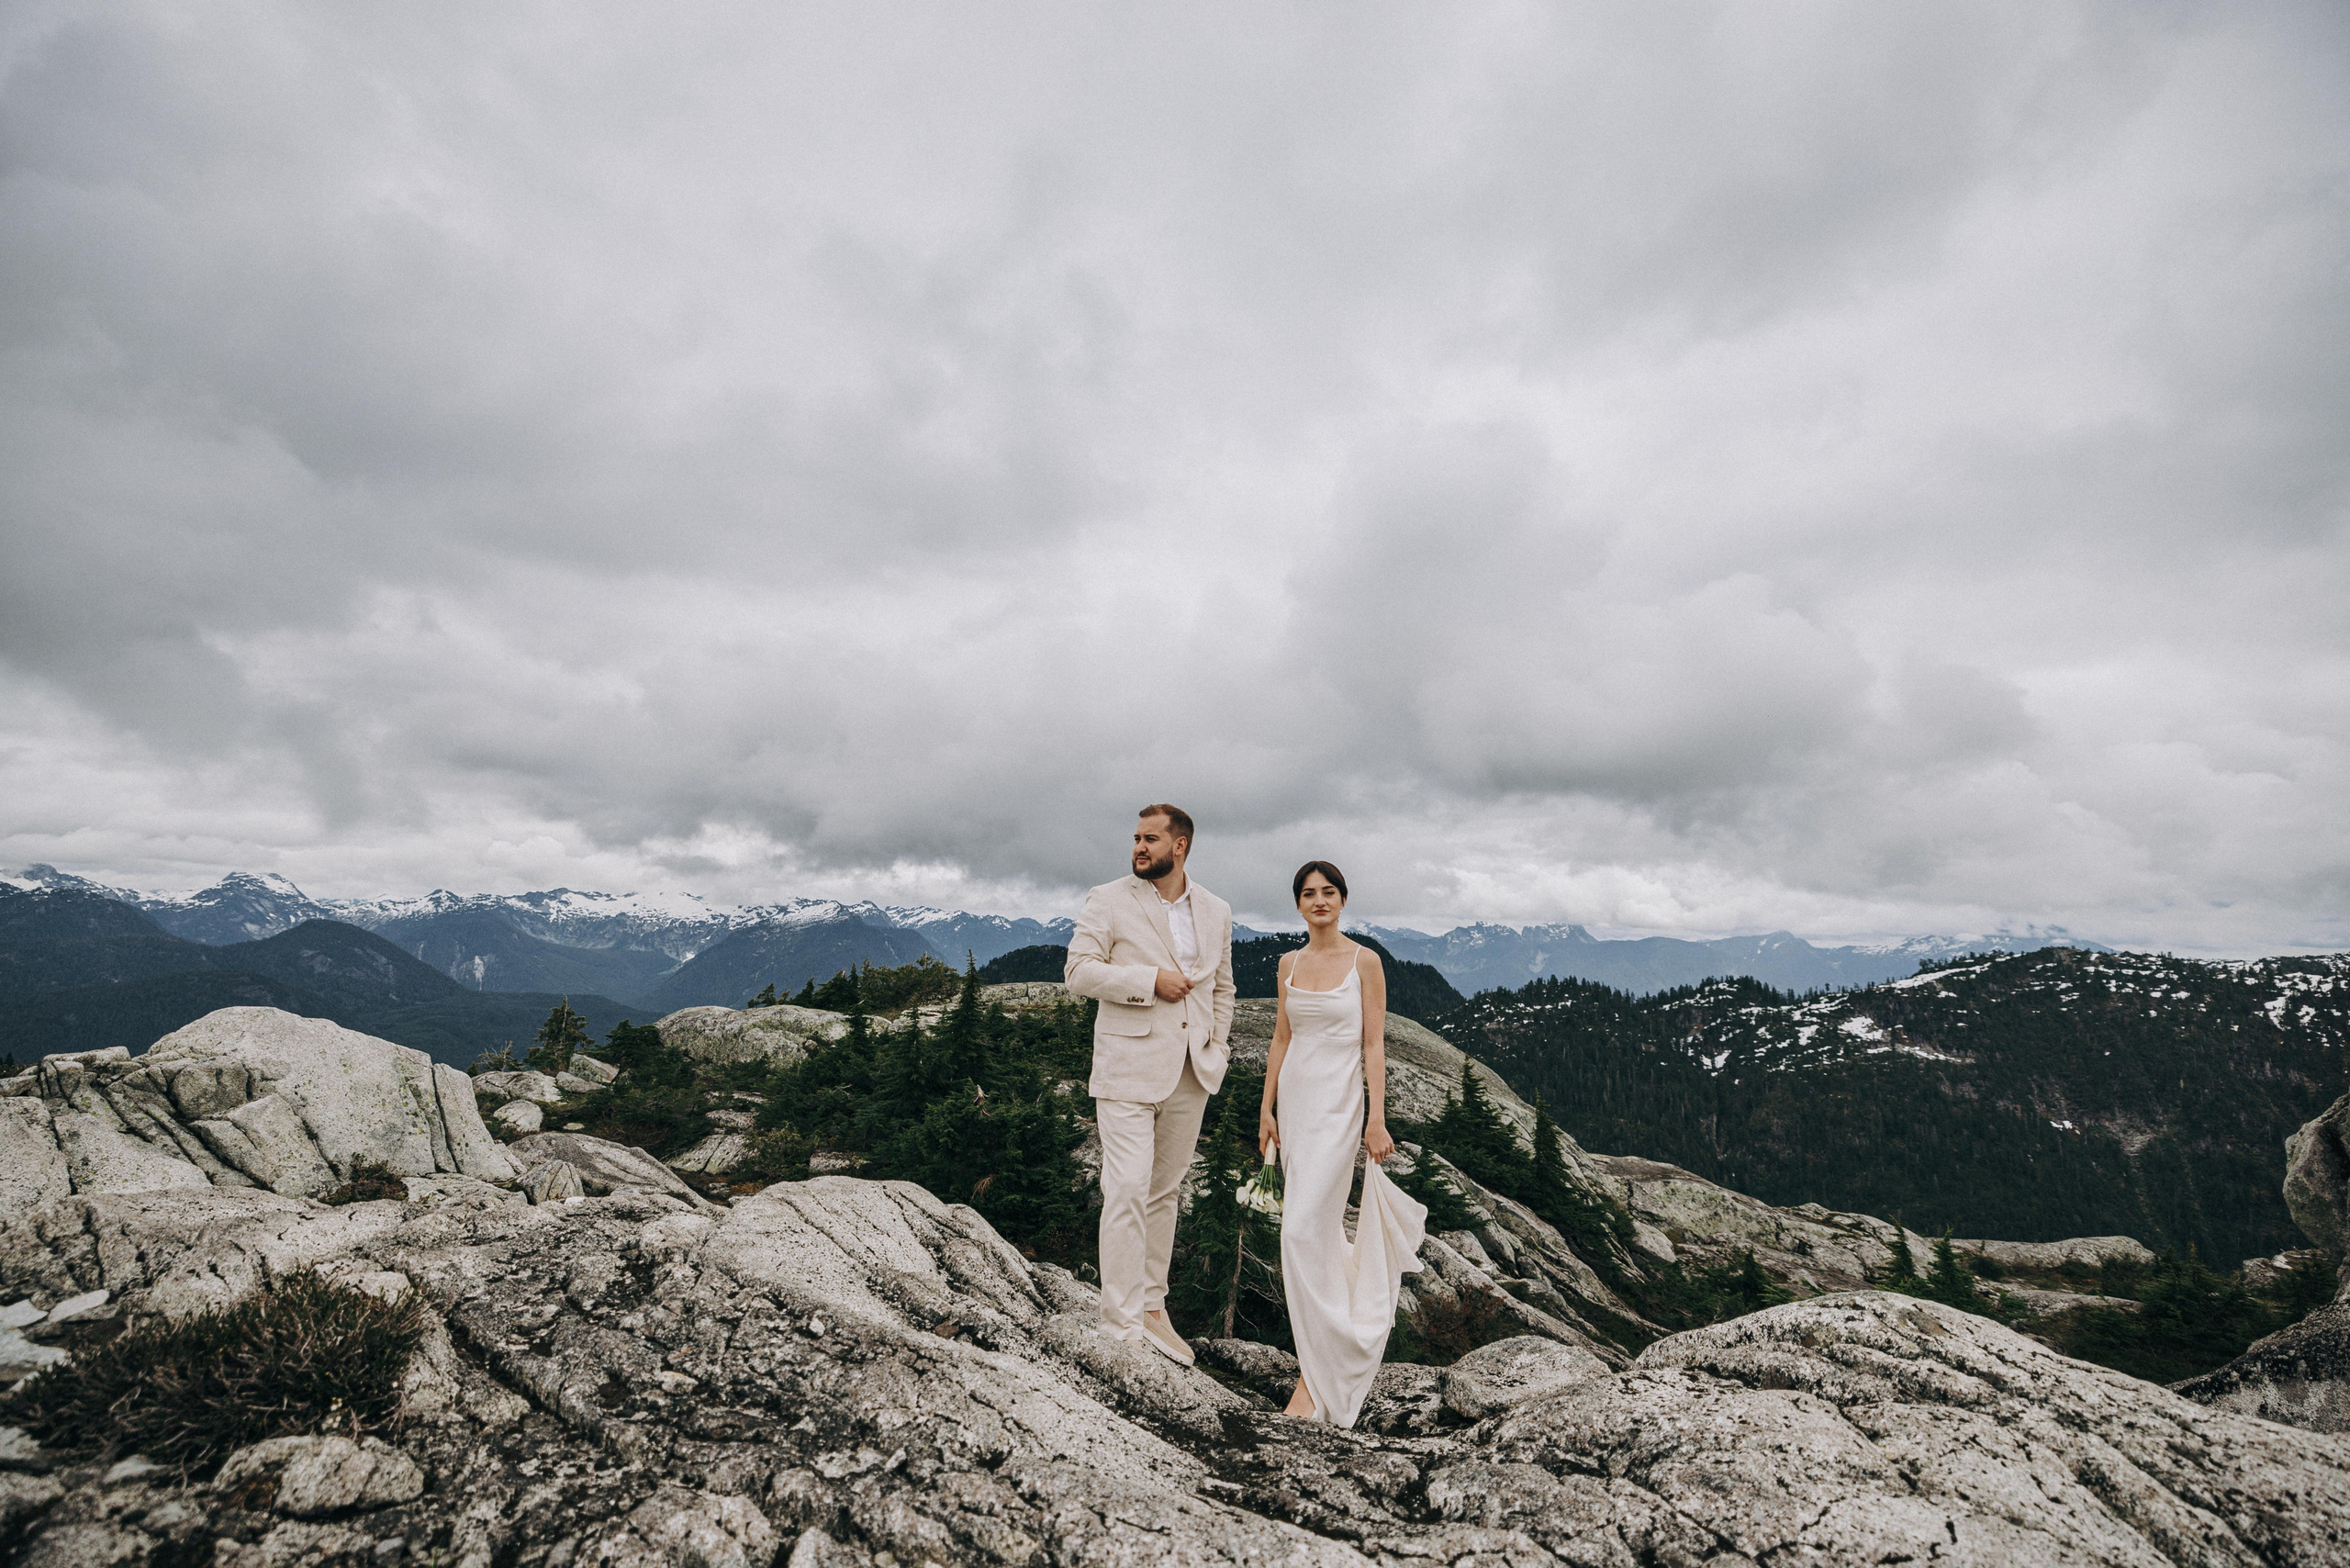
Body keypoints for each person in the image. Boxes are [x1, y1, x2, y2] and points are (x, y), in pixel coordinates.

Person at [1063, 803, 1236, 1365]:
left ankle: (1153, 1310)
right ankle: (1119, 1326)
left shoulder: (1216, 910)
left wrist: (1217, 1046)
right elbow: (1079, 973)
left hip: (1192, 1070)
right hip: (1127, 1067)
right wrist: (1147, 981)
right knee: (1128, 1188)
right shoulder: (1107, 898)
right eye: (1136, 837)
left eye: (1150, 839)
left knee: (1164, 1193)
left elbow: (1224, 988)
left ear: (1179, 846)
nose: (1138, 847)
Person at [1259, 860, 1427, 1425]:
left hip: (1338, 1106)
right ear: (1299, 904)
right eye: (1309, 893)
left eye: (1328, 892)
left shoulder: (1365, 962)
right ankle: (1315, 1366)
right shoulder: (1287, 962)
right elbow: (1282, 1036)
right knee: (1315, 1235)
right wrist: (1266, 1109)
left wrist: (1377, 1120)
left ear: (1343, 899)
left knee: (1303, 1229)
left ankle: (1315, 1380)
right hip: (1296, 1103)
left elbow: (1374, 1045)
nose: (1319, 900)